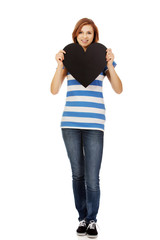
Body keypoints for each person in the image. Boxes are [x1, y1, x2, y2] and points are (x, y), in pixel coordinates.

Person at [50, 18, 123, 238]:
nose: (85, 36)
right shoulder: (68, 59)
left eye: (89, 33)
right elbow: (54, 90)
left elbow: (118, 89)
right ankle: (81, 218)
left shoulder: (101, 58)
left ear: (94, 36)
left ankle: (92, 220)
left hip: (94, 124)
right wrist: (59, 64)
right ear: (75, 35)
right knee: (77, 175)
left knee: (93, 177)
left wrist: (110, 64)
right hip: (70, 124)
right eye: (81, 32)